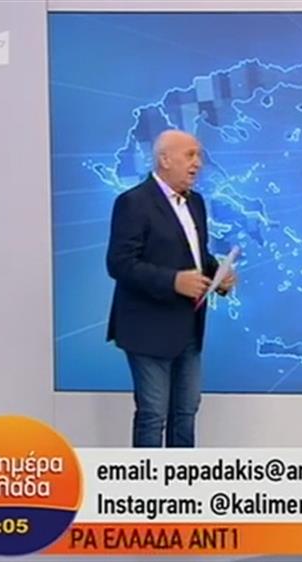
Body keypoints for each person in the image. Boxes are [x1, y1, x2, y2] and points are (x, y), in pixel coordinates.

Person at [106, 129, 236, 448]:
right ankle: (149, 480)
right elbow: (120, 263)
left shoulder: (196, 204)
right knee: (153, 415)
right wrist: (173, 281)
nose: (198, 163)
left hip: (188, 326)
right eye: (190, 155)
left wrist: (217, 274)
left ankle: (180, 478)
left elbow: (195, 255)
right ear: (165, 159)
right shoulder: (133, 203)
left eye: (199, 155)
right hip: (147, 328)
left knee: (186, 411)